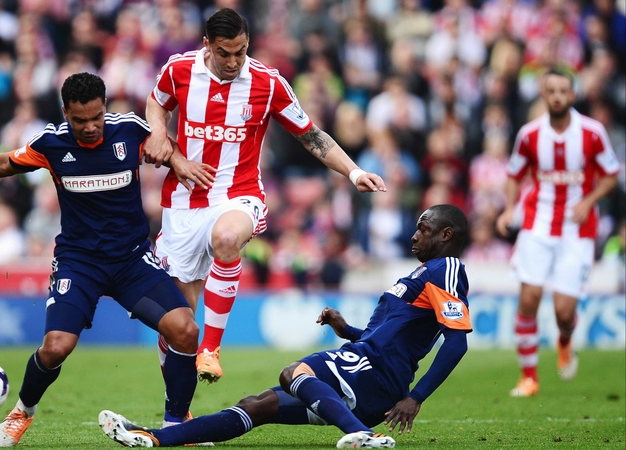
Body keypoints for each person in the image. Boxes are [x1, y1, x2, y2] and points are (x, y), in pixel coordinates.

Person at [0, 73, 216, 447]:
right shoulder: (50, 143)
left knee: (186, 330)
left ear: (104, 107)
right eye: (79, 120)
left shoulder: (129, 129)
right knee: (55, 348)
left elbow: (165, 143)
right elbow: (4, 163)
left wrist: (177, 159)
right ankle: (22, 410)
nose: (89, 127)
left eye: (96, 117)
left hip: (131, 261)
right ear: (66, 112)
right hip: (79, 263)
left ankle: (177, 423)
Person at [143, 7, 387, 383]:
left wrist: (354, 172)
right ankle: (179, 415)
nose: (233, 61)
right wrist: (161, 136)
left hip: (240, 195)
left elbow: (311, 135)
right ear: (207, 45)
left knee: (226, 238)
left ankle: (211, 347)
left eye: (240, 52)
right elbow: (157, 102)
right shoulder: (179, 70)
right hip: (185, 201)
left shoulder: (267, 82)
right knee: (177, 328)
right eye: (224, 53)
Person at [99, 204, 472, 449]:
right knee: (255, 405)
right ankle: (155, 438)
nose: (414, 235)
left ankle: (361, 435)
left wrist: (415, 397)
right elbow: (398, 336)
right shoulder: (421, 272)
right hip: (365, 369)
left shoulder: (447, 268)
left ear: (446, 235)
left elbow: (456, 343)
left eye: (423, 229)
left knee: (293, 371)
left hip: (375, 374)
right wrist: (349, 331)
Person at [495, 68, 620, 397]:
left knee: (565, 312)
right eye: (551, 91)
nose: (557, 97)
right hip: (537, 224)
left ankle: (565, 341)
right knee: (529, 298)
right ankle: (529, 378)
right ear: (543, 94)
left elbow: (610, 175)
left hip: (577, 231)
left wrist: (590, 200)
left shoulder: (592, 133)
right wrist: (510, 209)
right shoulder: (530, 134)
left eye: (563, 91)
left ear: (573, 95)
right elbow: (513, 174)